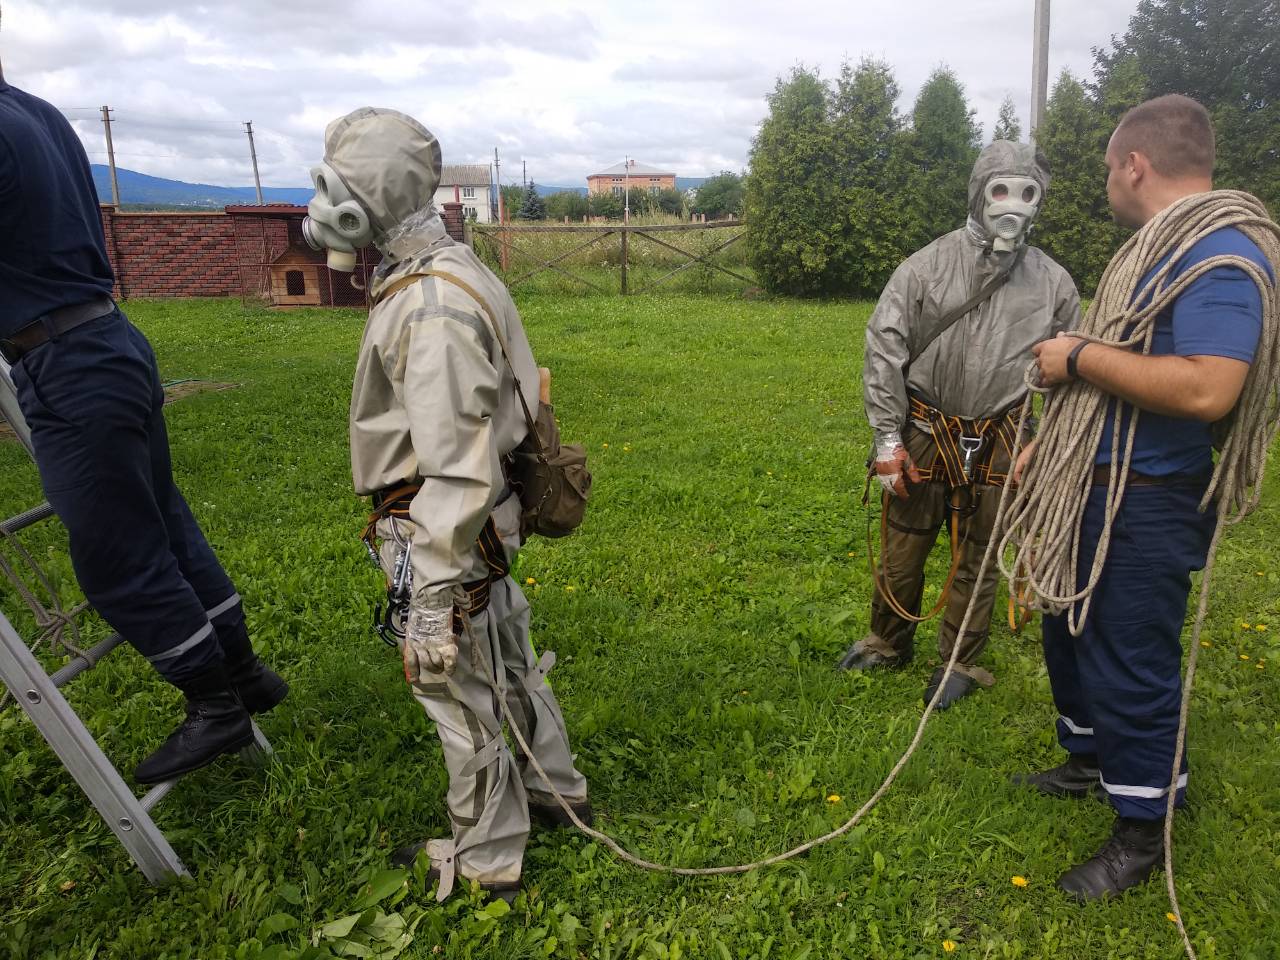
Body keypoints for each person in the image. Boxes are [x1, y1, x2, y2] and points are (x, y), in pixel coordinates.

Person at [304, 107, 590, 903]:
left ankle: (489, 854)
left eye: (336, 184)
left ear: (369, 200)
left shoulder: (429, 307)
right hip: (483, 521)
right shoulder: (449, 267)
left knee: (455, 687)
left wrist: (430, 593)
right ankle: (555, 788)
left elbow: (456, 469)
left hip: (448, 526)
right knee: (507, 655)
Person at [1014, 95, 1273, 899]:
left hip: (1147, 499)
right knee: (1072, 630)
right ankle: (1090, 760)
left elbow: (1207, 390)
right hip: (1092, 482)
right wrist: (1052, 444)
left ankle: (1142, 831)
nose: (1105, 183)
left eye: (1106, 169)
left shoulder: (1222, 257)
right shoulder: (1161, 248)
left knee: (1131, 660)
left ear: (1136, 164)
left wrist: (1078, 358)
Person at [0, 65, 287, 784]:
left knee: (114, 559)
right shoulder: (39, 115)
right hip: (108, 338)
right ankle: (244, 673)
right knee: (164, 524)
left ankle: (213, 705)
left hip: (60, 359)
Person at [838, 141, 1080, 708]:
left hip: (1003, 437)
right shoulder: (926, 266)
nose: (1012, 206)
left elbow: (1073, 371)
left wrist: (1044, 443)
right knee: (904, 545)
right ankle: (887, 641)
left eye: (1027, 193)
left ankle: (959, 662)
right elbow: (884, 349)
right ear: (978, 192)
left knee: (980, 553)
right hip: (925, 429)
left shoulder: (1054, 283)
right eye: (1001, 191)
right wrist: (887, 440)